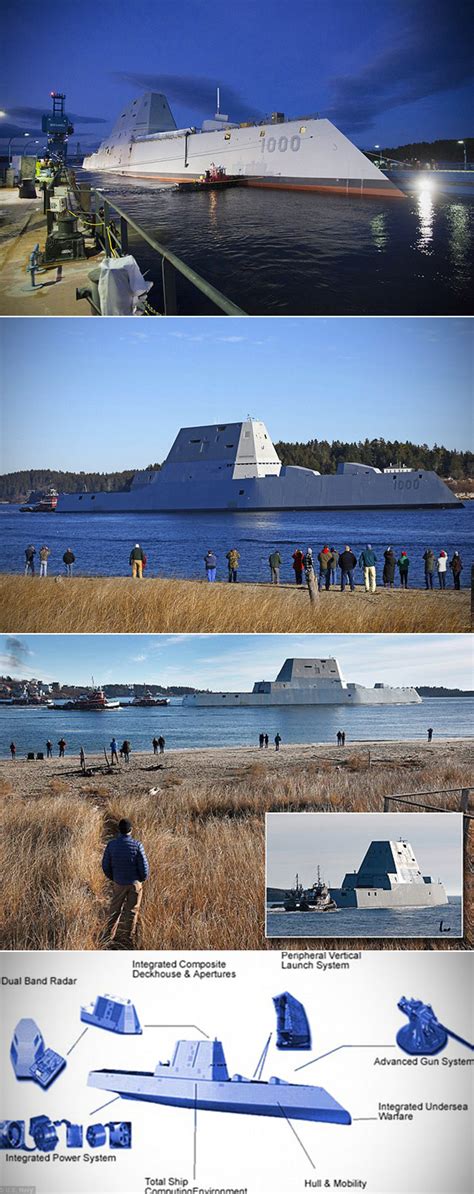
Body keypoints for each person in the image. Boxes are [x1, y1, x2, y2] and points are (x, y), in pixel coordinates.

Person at [101, 818, 149, 946]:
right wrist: (140, 880)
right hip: (134, 883)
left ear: (119, 830)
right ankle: (128, 938)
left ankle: (108, 936)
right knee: (132, 911)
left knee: (115, 909)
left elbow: (105, 865)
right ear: (131, 830)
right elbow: (144, 868)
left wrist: (114, 878)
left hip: (119, 882)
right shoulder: (137, 845)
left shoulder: (111, 845)